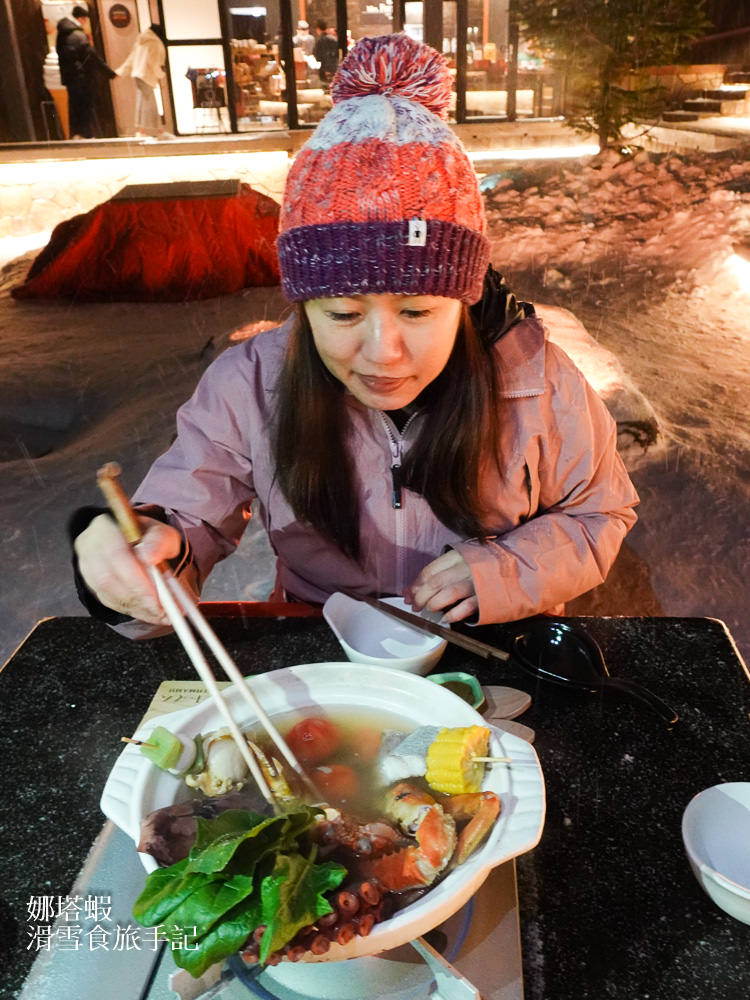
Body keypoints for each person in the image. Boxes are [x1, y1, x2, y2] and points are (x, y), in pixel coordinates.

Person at [71, 33, 638, 640]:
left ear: (463, 299)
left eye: (417, 312)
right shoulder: (252, 385)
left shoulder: (537, 381)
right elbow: (186, 522)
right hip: (321, 647)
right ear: (306, 304)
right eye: (342, 315)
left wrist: (504, 570)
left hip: (493, 642)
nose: (382, 352)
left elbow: (598, 511)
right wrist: (142, 561)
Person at [55, 5, 115, 139]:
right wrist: (109, 73)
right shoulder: (78, 35)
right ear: (81, 19)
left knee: (75, 107)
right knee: (85, 107)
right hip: (81, 78)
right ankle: (86, 135)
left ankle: (77, 135)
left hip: (70, 78)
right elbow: (91, 56)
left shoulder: (63, 33)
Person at [116, 22, 171, 139]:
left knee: (145, 103)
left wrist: (120, 72)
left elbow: (131, 58)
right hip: (147, 76)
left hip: (138, 74)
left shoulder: (141, 41)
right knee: (148, 104)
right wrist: (161, 74)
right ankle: (154, 132)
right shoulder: (155, 42)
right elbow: (155, 62)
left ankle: (148, 131)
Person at [313, 19, 339, 84]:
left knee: (326, 82)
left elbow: (317, 54)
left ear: (318, 29)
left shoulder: (320, 41)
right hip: (335, 65)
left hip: (324, 66)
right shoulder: (334, 39)